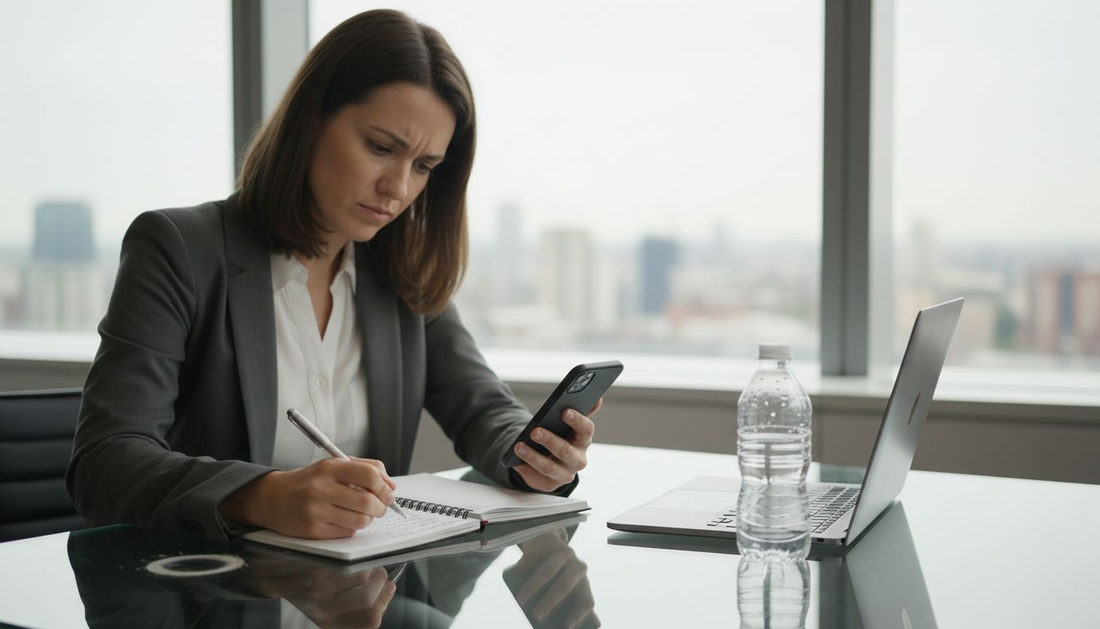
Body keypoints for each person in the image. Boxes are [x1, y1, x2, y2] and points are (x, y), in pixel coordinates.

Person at [66, 9, 599, 543]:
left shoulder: (400, 271)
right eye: (381, 147)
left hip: (358, 593)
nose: (398, 188)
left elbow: (480, 404)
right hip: (203, 596)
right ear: (311, 120)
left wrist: (534, 456)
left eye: (423, 166)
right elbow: (104, 462)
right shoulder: (180, 248)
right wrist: (263, 495)